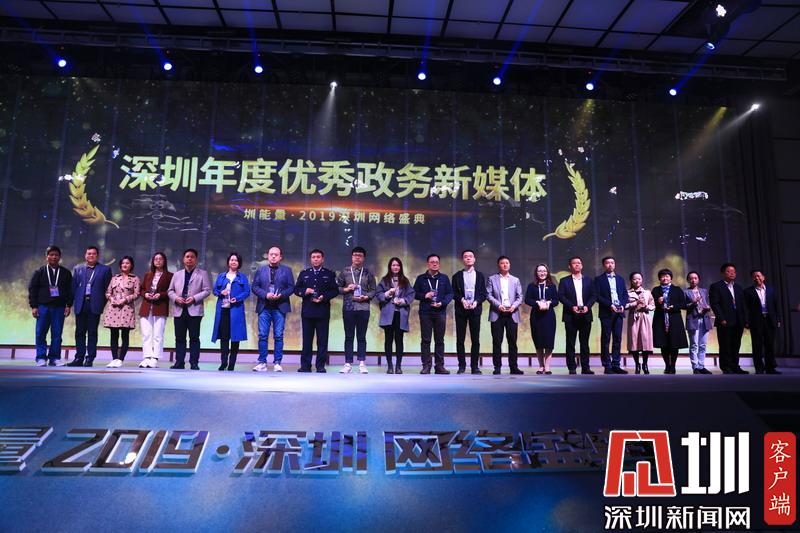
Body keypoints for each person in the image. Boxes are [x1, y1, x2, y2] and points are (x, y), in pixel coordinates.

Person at [294, 249, 339, 372]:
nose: (316, 259)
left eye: (318, 257)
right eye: (313, 257)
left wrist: (324, 297)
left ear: (322, 259)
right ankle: (305, 366)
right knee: (307, 340)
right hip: (307, 311)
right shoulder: (304, 273)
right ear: (310, 259)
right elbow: (296, 289)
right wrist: (305, 291)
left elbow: (335, 291)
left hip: (322, 311)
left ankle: (320, 366)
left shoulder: (329, 274)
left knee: (322, 341)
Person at [251, 246, 295, 372]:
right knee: (262, 335)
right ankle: (262, 362)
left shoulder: (287, 270)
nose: (273, 256)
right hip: (264, 306)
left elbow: (291, 288)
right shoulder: (261, 270)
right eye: (271, 254)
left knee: (278, 335)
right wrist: (265, 294)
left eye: (276, 254)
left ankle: (277, 362)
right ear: (268, 256)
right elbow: (254, 287)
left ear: (280, 257)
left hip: (280, 307)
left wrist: (281, 295)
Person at [27, 245, 72, 366]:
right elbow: (32, 289)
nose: (54, 257)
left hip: (59, 307)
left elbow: (70, 291)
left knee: (57, 334)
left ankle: (54, 358)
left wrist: (68, 305)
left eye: (56, 255)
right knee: (40, 333)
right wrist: (34, 306)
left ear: (59, 257)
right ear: (46, 257)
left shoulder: (66, 273)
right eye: (51, 255)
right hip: (43, 307)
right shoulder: (39, 272)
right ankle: (41, 357)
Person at [68, 246, 112, 367]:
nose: (91, 256)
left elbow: (107, 289)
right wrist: (69, 304)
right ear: (85, 255)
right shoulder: (78, 268)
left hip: (94, 305)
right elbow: (73, 288)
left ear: (97, 256)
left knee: (92, 332)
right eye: (89, 253)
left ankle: (90, 358)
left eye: (93, 254)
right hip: (81, 304)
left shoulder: (105, 269)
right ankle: (79, 357)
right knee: (79, 332)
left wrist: (101, 304)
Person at [167, 248, 211, 370]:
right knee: (179, 338)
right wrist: (176, 298)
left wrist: (194, 298)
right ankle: (179, 362)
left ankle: (194, 362)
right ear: (183, 259)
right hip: (179, 309)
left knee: (194, 338)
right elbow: (170, 291)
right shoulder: (177, 274)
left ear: (196, 260)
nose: (189, 259)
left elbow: (207, 290)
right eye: (187, 256)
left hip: (195, 309)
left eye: (192, 257)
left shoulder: (202, 273)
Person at [337, 246, 377, 374]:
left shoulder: (368, 273)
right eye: (355, 255)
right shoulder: (345, 271)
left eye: (360, 255)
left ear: (364, 258)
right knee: (349, 336)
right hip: (348, 307)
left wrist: (367, 297)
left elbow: (373, 290)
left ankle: (362, 363)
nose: (357, 257)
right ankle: (348, 363)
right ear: (351, 257)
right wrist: (347, 289)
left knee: (361, 336)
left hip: (363, 308)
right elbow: (337, 287)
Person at [413, 253, 454, 375]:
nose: (435, 264)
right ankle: (426, 366)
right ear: (428, 264)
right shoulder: (421, 278)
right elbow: (414, 293)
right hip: (425, 312)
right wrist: (424, 295)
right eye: (432, 262)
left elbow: (450, 294)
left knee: (439, 340)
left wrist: (442, 303)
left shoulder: (444, 278)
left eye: (437, 262)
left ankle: (439, 366)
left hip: (440, 312)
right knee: (426, 340)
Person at [375, 257, 415, 374]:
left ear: (400, 267)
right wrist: (388, 293)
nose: (395, 267)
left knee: (399, 340)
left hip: (400, 314)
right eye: (393, 265)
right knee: (388, 340)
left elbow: (411, 294)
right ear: (390, 267)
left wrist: (402, 301)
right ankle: (389, 366)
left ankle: (398, 366)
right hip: (388, 313)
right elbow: (378, 294)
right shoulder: (385, 280)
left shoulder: (405, 281)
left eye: (397, 265)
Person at [450, 249, 487, 374]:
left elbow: (483, 294)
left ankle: (475, 366)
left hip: (475, 310)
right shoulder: (457, 276)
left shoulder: (480, 276)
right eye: (466, 256)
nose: (468, 258)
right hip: (461, 310)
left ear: (474, 259)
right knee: (460, 339)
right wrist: (462, 300)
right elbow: (453, 293)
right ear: (463, 260)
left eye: (470, 256)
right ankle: (461, 366)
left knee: (475, 339)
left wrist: (476, 302)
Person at [557, 256, 596, 375]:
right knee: (570, 342)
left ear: (582, 265)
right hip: (570, 315)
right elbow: (561, 296)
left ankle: (585, 367)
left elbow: (594, 295)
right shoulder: (564, 281)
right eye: (574, 263)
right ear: (570, 266)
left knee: (585, 343)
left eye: (579, 263)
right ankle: (572, 367)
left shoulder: (589, 280)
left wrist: (587, 306)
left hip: (585, 314)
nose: (577, 265)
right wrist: (572, 306)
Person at [211, 252, 250, 371]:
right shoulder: (221, 276)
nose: (233, 262)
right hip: (223, 310)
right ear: (228, 262)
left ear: (239, 263)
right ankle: (223, 362)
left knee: (235, 338)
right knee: (224, 338)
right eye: (232, 260)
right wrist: (220, 293)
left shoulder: (242, 277)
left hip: (236, 310)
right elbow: (215, 290)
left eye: (236, 260)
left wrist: (237, 299)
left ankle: (232, 363)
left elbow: (247, 292)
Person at [486, 256, 524, 375]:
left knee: (512, 341)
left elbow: (520, 296)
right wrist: (498, 305)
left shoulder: (515, 280)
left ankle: (514, 367)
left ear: (510, 265)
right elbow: (488, 295)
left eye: (507, 263)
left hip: (512, 313)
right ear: (498, 265)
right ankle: (497, 367)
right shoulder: (492, 279)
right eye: (502, 263)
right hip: (497, 313)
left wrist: (514, 306)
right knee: (497, 341)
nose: (505, 265)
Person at [709, 263, 748, 374]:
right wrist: (721, 318)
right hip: (724, 321)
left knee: (736, 344)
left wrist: (745, 320)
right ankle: (726, 367)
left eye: (733, 272)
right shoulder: (716, 286)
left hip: (738, 320)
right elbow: (715, 304)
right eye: (729, 271)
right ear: (722, 273)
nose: (732, 273)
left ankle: (735, 366)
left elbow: (743, 305)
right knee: (725, 344)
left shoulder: (738, 287)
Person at [103, 256, 141, 368]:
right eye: (123, 263)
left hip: (126, 308)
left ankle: (120, 359)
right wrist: (111, 299)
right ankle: (114, 359)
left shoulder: (135, 279)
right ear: (120, 265)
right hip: (114, 308)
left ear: (131, 265)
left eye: (127, 263)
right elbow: (108, 292)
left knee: (125, 334)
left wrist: (125, 299)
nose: (125, 265)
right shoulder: (115, 278)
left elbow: (137, 293)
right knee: (113, 334)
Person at [594, 256, 628, 374]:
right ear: (604, 265)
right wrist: (610, 305)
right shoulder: (599, 279)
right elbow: (597, 296)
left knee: (617, 339)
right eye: (607, 263)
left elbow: (624, 294)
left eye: (612, 263)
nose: (610, 265)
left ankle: (616, 364)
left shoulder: (620, 279)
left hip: (619, 312)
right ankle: (607, 365)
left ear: (615, 264)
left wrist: (622, 305)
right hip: (606, 312)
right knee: (606, 339)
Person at [139, 252, 173, 369]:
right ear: (153, 261)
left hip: (160, 306)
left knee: (158, 334)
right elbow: (141, 289)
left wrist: (160, 295)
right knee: (146, 334)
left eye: (160, 259)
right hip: (146, 306)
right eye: (156, 259)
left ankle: (155, 358)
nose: (158, 261)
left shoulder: (169, 275)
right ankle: (147, 357)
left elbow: (171, 291)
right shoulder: (148, 274)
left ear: (164, 261)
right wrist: (146, 294)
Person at [744, 269, 782, 374]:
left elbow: (776, 305)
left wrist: (778, 319)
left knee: (770, 344)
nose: (757, 278)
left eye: (758, 276)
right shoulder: (748, 291)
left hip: (770, 320)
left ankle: (770, 367)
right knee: (757, 345)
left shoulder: (771, 290)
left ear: (763, 277)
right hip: (756, 321)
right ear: (752, 279)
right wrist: (746, 321)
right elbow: (746, 308)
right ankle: (759, 368)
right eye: (754, 276)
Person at [651, 268, 688, 374]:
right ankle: (667, 365)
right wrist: (658, 302)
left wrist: (674, 306)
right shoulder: (655, 290)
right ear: (659, 278)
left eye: (667, 276)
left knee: (674, 344)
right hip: (660, 319)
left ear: (671, 278)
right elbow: (651, 304)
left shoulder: (677, 289)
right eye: (662, 276)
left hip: (674, 319)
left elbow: (683, 304)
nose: (665, 278)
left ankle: (673, 366)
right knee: (663, 344)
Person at [524, 263, 558, 375]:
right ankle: (540, 366)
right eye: (540, 271)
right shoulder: (531, 286)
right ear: (536, 273)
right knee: (538, 342)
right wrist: (537, 302)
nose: (542, 273)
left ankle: (547, 367)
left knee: (548, 342)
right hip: (536, 316)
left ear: (547, 272)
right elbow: (527, 299)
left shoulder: (552, 286)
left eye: (544, 271)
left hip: (549, 317)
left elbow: (556, 300)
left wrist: (549, 302)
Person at [625, 272, 655, 374]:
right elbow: (624, 305)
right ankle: (637, 364)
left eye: (639, 279)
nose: (637, 281)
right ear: (631, 281)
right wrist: (635, 303)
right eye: (634, 279)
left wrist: (647, 307)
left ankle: (645, 364)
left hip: (644, 317)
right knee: (634, 342)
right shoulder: (627, 293)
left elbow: (653, 305)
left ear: (642, 280)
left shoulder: (647, 292)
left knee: (645, 342)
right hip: (633, 318)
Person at [684, 271, 713, 375]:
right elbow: (684, 306)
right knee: (694, 345)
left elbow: (706, 303)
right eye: (691, 278)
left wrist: (708, 308)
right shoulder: (685, 292)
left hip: (704, 319)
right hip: (693, 319)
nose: (693, 280)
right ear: (688, 280)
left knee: (703, 345)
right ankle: (695, 367)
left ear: (698, 279)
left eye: (695, 278)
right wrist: (694, 302)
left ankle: (701, 366)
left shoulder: (704, 291)